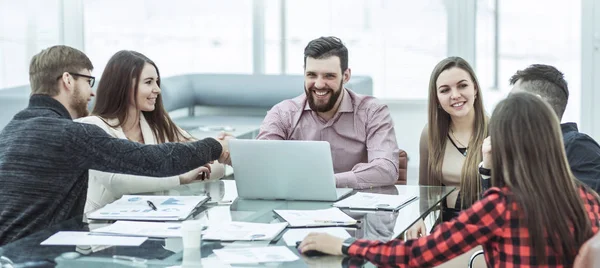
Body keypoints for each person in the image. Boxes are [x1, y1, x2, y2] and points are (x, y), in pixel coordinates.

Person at [298, 92, 600, 267]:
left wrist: (346, 245)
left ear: (504, 143)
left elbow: (415, 254)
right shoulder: (588, 199)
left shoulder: (503, 206)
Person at [0, 45, 231, 246]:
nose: (92, 91)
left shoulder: (10, 131)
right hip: (37, 253)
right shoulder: (71, 133)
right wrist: (214, 146)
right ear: (68, 80)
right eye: (88, 81)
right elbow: (154, 161)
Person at [76, 50, 225, 213]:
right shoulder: (91, 127)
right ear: (123, 86)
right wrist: (180, 177)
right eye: (148, 82)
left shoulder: (157, 123)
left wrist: (198, 168)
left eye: (157, 82)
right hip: (102, 225)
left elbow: (216, 166)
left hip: (154, 221)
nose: (157, 89)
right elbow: (117, 182)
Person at [256, 36, 400, 189]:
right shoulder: (282, 113)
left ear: (346, 76)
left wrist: (327, 182)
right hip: (295, 208)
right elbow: (262, 165)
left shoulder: (373, 112)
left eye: (329, 76)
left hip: (354, 210)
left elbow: (386, 170)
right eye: (312, 75)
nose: (319, 84)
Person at [407, 56, 488, 239]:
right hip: (446, 230)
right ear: (436, 98)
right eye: (445, 90)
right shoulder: (431, 134)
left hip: (484, 230)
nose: (455, 95)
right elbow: (425, 191)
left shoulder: (496, 130)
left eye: (462, 86)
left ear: (475, 88)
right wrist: (418, 219)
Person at [508, 64, 600, 193]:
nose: (506, 108)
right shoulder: (523, 153)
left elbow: (583, 209)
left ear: (536, 105)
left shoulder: (576, 146)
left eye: (514, 101)